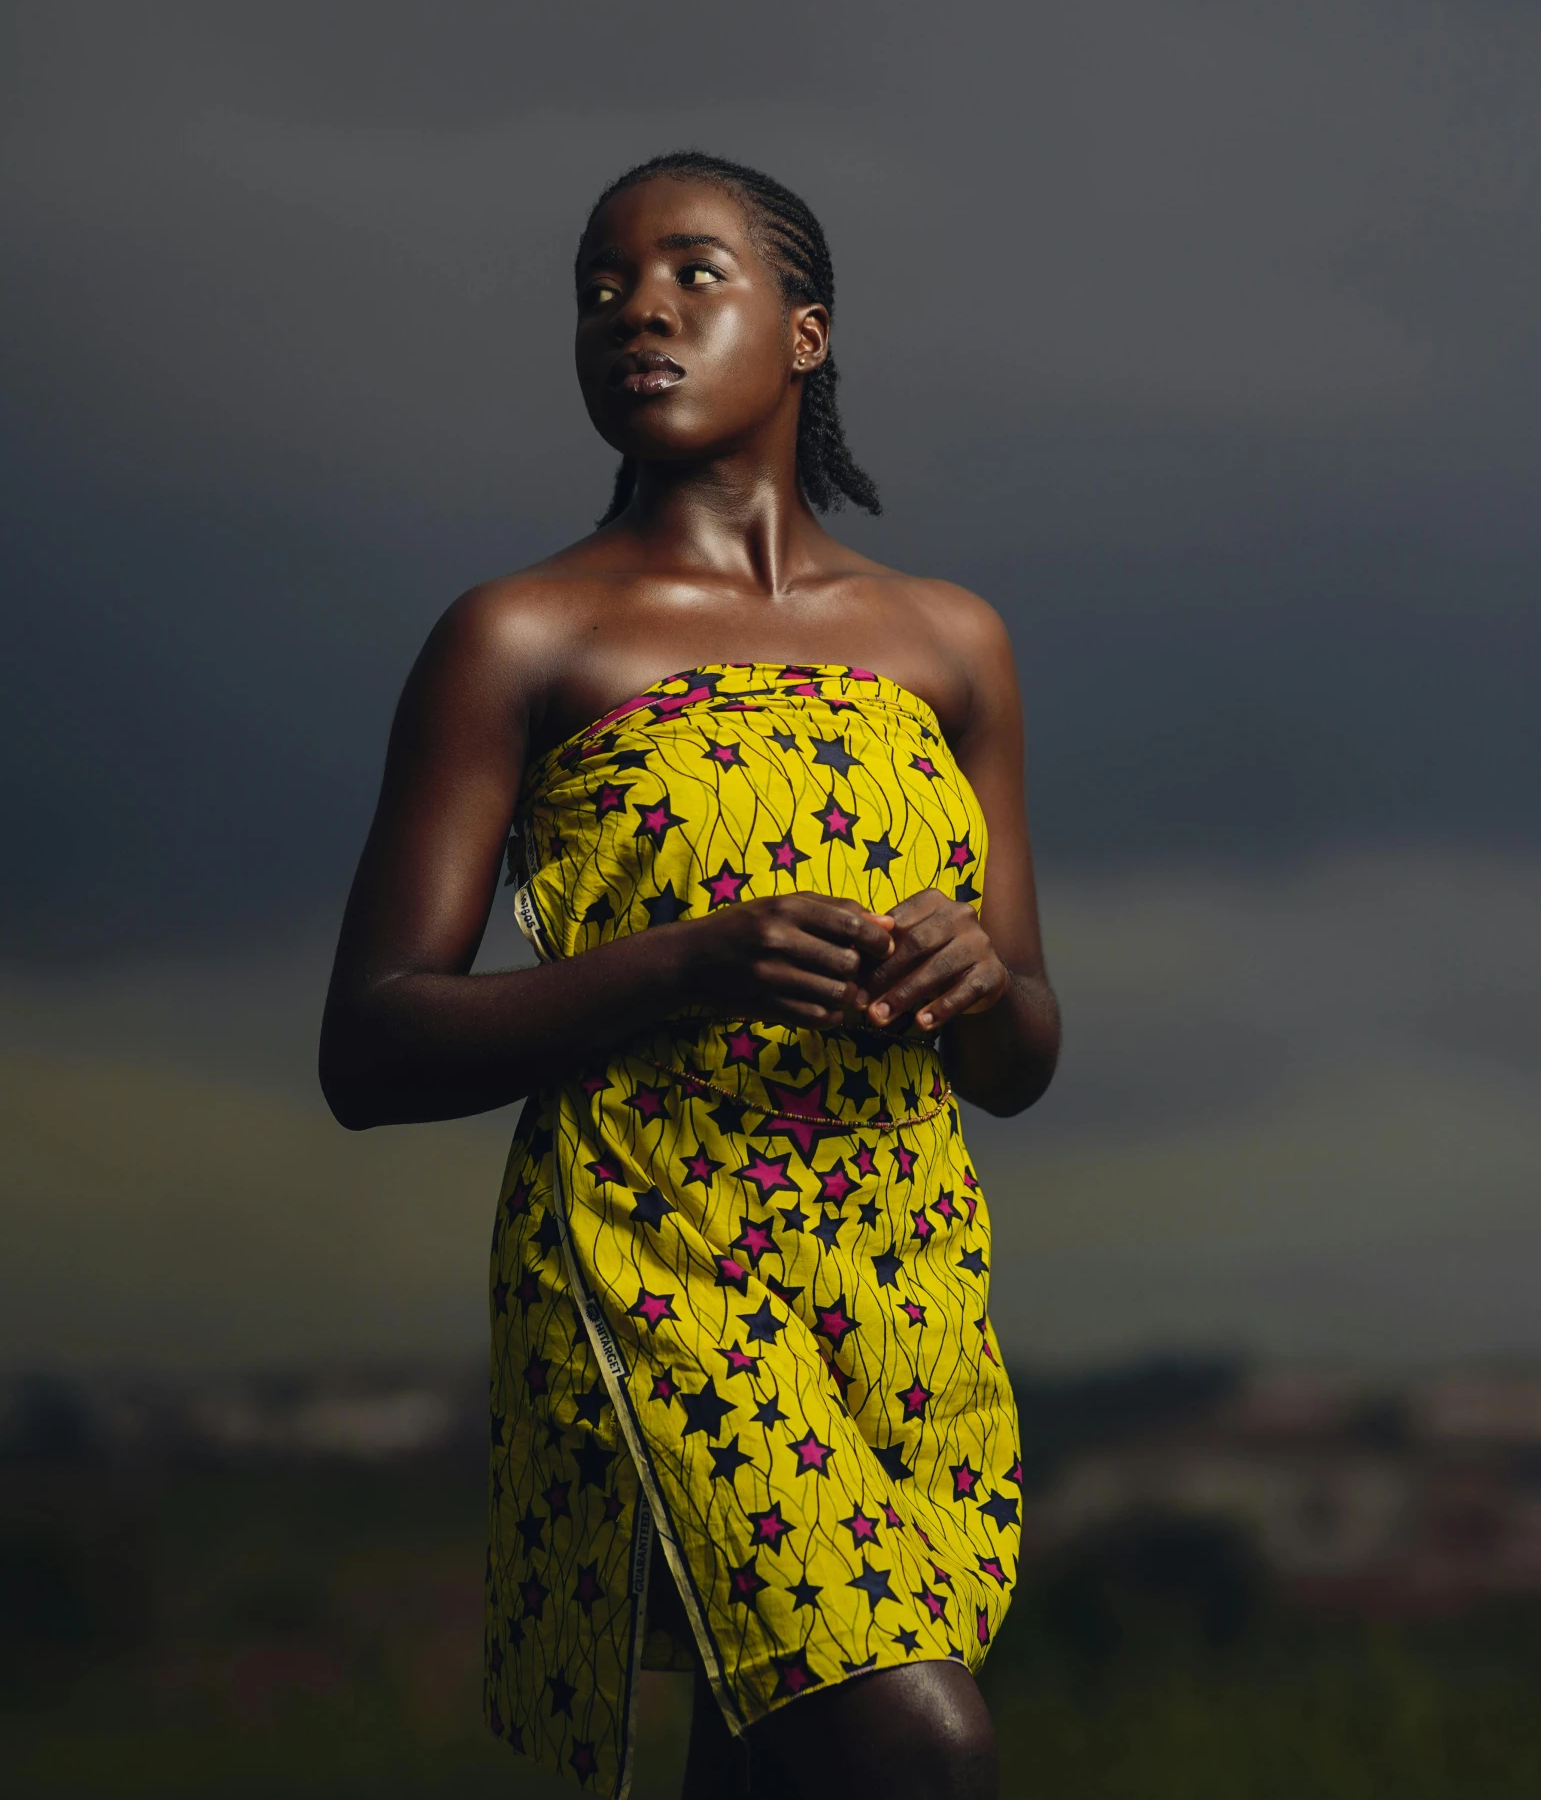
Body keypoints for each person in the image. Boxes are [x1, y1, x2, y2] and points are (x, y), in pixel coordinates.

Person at [319, 152, 1061, 1800]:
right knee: (914, 1743)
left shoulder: (953, 641)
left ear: (805, 334)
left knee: (780, 1750)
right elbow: (369, 1049)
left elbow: (1023, 1055)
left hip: (899, 1264)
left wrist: (980, 981)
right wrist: (684, 963)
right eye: (598, 287)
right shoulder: (519, 636)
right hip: (653, 1249)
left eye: (688, 273)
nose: (634, 309)